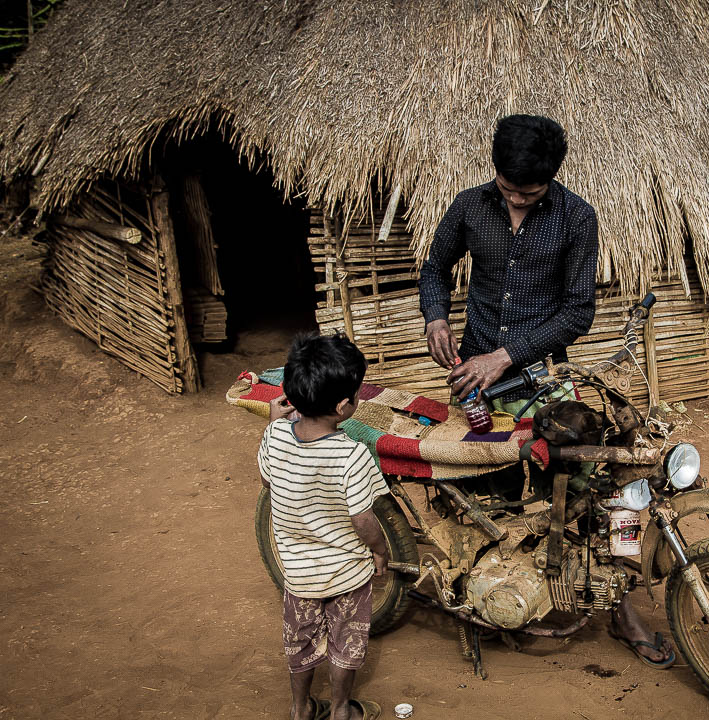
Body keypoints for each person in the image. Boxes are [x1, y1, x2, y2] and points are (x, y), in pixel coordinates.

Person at [418, 114, 675, 668]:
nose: (515, 203)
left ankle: (621, 607)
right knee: (492, 485)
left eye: (528, 195)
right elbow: (434, 269)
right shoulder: (468, 206)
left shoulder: (577, 218)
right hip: (474, 382)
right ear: (496, 172)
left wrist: (504, 357)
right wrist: (436, 318)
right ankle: (495, 590)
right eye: (508, 191)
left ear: (552, 180)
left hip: (543, 378)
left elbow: (577, 312)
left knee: (596, 482)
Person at [258, 333, 388, 720]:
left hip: (298, 576)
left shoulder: (275, 435)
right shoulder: (352, 455)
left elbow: (268, 481)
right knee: (345, 643)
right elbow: (363, 520)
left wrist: (271, 426)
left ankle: (300, 709)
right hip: (348, 573)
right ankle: (341, 709)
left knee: (300, 643)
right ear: (345, 405)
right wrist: (380, 551)